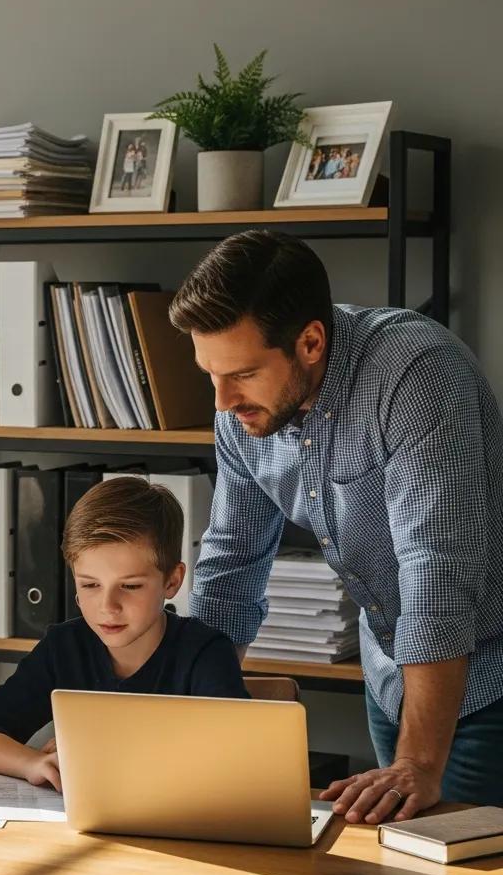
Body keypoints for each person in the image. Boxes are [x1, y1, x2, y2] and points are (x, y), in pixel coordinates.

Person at [169, 229, 503, 821]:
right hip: (391, 676)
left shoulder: (416, 375)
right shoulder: (240, 411)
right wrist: (190, 722)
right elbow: (230, 563)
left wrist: (420, 762)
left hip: (487, 675)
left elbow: (436, 573)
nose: (221, 401)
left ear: (311, 342)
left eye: (242, 374)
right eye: (209, 375)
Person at [0, 477, 249, 790]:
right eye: (90, 585)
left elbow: (236, 759)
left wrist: (103, 749)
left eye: (130, 586)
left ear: (172, 581)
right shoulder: (64, 647)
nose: (108, 606)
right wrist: (31, 762)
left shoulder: (205, 653)